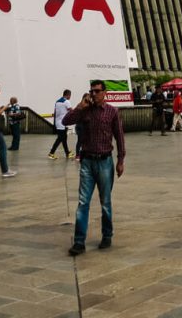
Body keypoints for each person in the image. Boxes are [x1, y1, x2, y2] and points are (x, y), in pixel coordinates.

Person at [63, 80, 126, 256]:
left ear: (105, 92)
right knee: (83, 202)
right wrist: (79, 107)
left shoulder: (112, 111)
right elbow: (65, 120)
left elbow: (119, 136)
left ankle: (107, 235)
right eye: (92, 91)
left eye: (97, 91)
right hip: (87, 162)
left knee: (105, 202)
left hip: (105, 161)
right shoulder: (85, 111)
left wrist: (121, 160)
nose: (94, 94)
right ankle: (79, 241)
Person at [49, 90, 73, 160]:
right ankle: (51, 153)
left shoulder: (57, 101)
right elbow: (71, 111)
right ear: (68, 95)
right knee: (60, 139)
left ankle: (67, 153)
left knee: (64, 139)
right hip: (63, 123)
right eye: (70, 95)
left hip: (58, 122)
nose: (70, 97)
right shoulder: (66, 102)